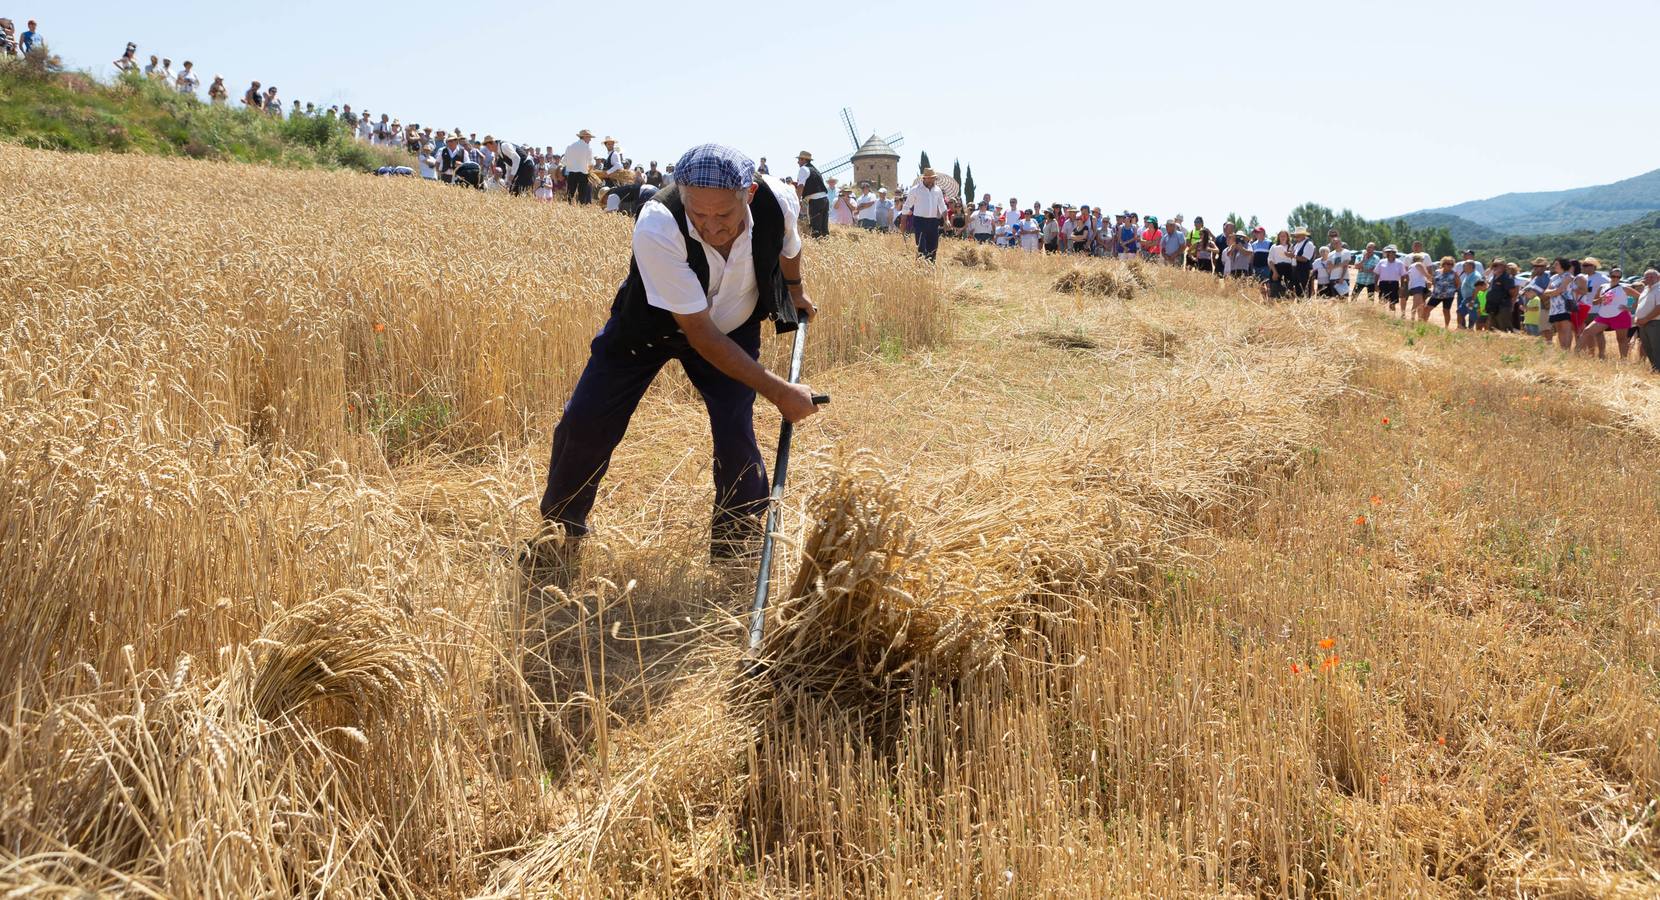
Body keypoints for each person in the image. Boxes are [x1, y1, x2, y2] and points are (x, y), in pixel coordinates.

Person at [529, 144, 817, 573]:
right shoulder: (658, 225)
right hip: (648, 329)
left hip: (733, 328)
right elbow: (699, 333)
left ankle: (735, 540)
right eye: (698, 214)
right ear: (681, 194)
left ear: (749, 194)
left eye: (722, 215)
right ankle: (559, 535)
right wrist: (781, 393)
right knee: (586, 423)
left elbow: (788, 249)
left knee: (735, 429)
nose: (710, 226)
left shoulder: (778, 202)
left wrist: (795, 292)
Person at [903, 168, 949, 262]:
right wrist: (903, 224)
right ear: (924, 178)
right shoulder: (915, 190)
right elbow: (906, 206)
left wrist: (946, 220)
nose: (932, 180)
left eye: (933, 178)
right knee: (921, 247)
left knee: (933, 248)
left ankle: (930, 271)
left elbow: (942, 206)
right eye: (930, 178)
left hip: (933, 221)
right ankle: (920, 270)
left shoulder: (938, 190)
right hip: (920, 221)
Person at [794, 151, 829, 239]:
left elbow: (800, 186)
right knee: (824, 228)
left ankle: (818, 247)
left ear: (803, 160)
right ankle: (826, 246)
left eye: (799, 159)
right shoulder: (815, 170)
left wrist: (797, 200)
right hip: (825, 200)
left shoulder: (803, 169)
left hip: (816, 201)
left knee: (815, 229)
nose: (798, 162)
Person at [1633, 270, 1660, 373]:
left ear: (1657, 278)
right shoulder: (1646, 289)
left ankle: (1658, 369)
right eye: (1646, 277)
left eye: (1651, 277)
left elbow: (1659, 307)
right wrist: (1637, 318)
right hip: (1643, 323)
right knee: (1647, 347)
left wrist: (1646, 318)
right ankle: (1655, 368)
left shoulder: (1658, 289)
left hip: (1655, 323)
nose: (1649, 279)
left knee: (1656, 346)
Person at [561, 129, 597, 204]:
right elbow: (591, 163)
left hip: (571, 173)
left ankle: (569, 209)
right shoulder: (588, 148)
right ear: (584, 137)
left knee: (570, 194)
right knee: (582, 196)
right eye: (589, 137)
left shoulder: (570, 146)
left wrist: (572, 165)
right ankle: (580, 210)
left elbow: (564, 162)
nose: (590, 140)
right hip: (583, 174)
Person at [1426, 257, 1458, 327]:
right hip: (1436, 295)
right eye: (1448, 264)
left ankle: (1446, 326)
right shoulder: (1437, 272)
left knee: (1446, 311)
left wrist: (1453, 291)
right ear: (1443, 264)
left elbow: (1458, 284)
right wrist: (1430, 284)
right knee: (1427, 308)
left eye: (1452, 264)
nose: (1450, 266)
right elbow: (1433, 281)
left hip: (1448, 296)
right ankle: (1424, 323)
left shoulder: (1454, 273)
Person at [1374, 246, 1405, 312]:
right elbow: (1377, 274)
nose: (1390, 253)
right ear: (1386, 253)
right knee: (1382, 302)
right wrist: (1375, 285)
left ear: (1395, 253)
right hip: (1383, 284)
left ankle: (1391, 318)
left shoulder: (1400, 263)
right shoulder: (1381, 262)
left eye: (1392, 252)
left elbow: (1403, 276)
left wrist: (1402, 287)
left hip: (1394, 284)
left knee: (1392, 303)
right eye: (1388, 252)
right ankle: (1382, 317)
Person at [1290, 227, 1317, 297]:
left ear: (1304, 235)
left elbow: (1305, 259)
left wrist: (1292, 256)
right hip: (1296, 270)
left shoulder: (1309, 244)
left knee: (1304, 291)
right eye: (1296, 235)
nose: (1296, 236)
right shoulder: (1296, 245)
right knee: (1298, 291)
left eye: (1298, 234)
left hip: (1304, 271)